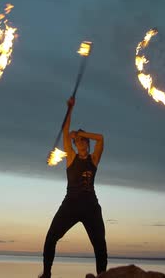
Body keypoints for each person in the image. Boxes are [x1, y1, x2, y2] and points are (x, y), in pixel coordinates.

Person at [40, 97, 107, 278]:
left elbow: (100, 138)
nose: (81, 143)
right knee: (51, 238)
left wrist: (81, 133)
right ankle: (46, 274)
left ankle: (102, 275)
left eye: (83, 141)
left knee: (100, 244)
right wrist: (70, 109)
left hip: (91, 207)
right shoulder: (70, 157)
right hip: (70, 205)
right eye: (78, 141)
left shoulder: (94, 159)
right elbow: (65, 131)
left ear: (87, 143)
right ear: (75, 145)